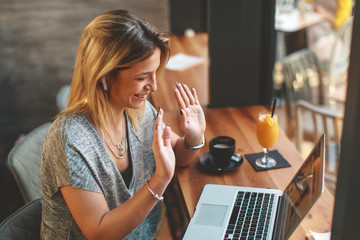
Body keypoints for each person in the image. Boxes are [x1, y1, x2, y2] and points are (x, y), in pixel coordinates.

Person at [40, 9, 206, 240]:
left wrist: (194, 137)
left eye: (155, 73)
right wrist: (159, 181)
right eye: (141, 78)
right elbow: (99, 233)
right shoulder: (71, 141)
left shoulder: (136, 110)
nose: (154, 87)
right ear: (105, 76)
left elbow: (176, 155)